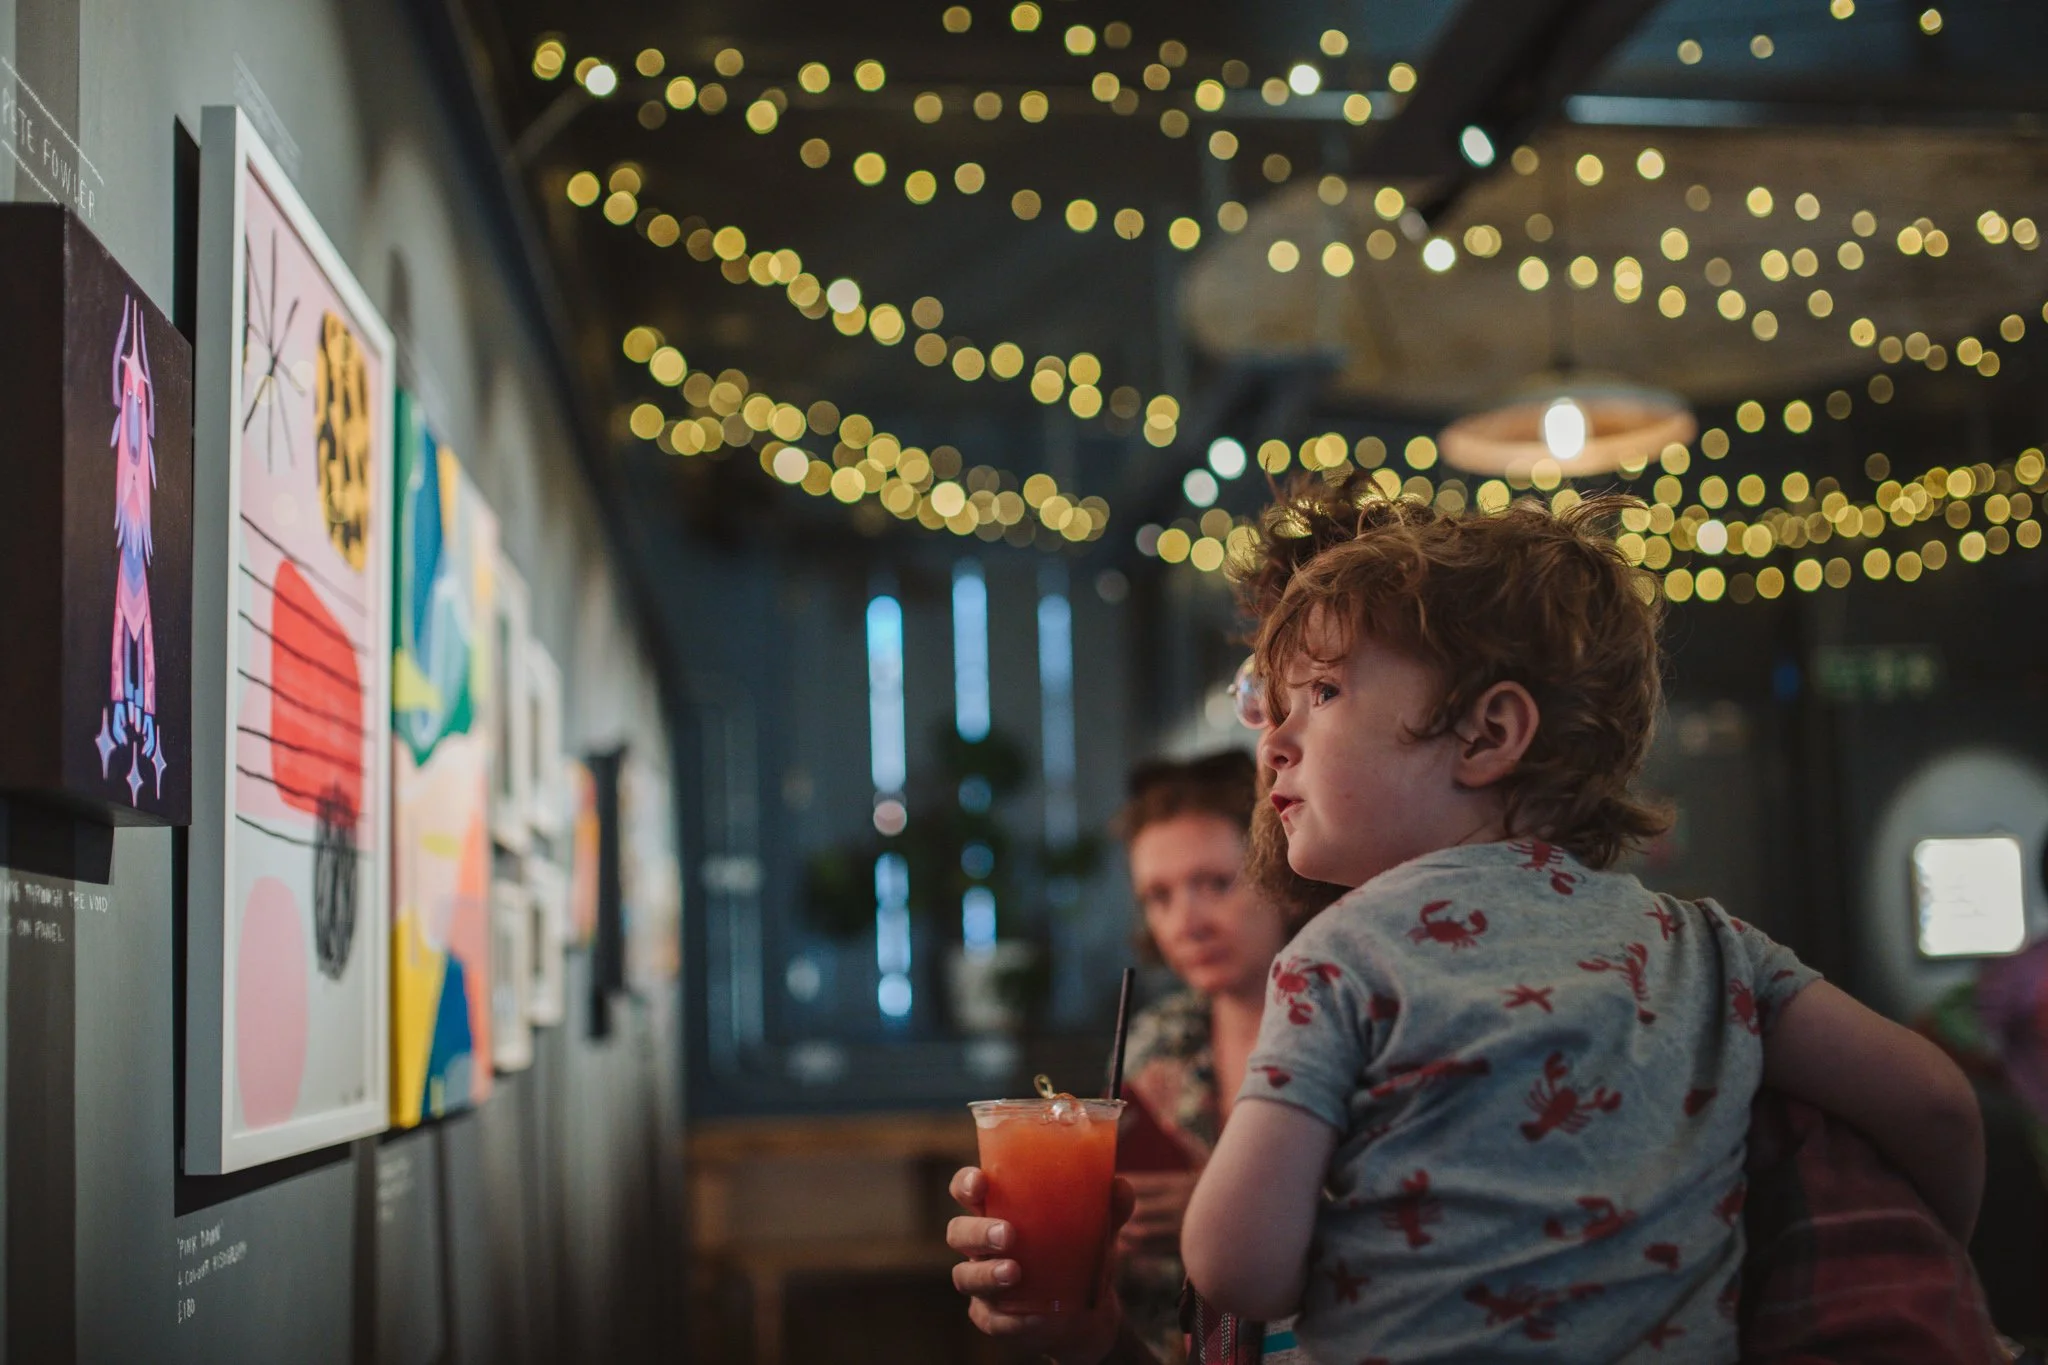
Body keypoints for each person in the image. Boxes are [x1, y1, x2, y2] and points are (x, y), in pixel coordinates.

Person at [1177, 493, 1987, 1360]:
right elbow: (1937, 1106)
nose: (1273, 742)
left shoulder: (1338, 958)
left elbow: (1236, 1266)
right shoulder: (1714, 949)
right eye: (1276, 701)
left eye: (1323, 691)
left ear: (1489, 733)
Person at [1108, 752, 1296, 1361]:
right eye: (1158, 897)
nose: (1184, 923)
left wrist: (1223, 1215)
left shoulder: (1349, 1024)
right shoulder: (1155, 1040)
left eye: (1215, 883)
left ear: (1282, 879)